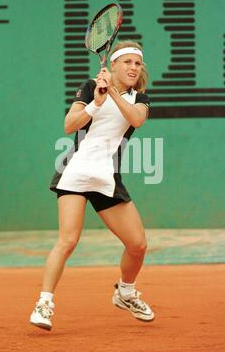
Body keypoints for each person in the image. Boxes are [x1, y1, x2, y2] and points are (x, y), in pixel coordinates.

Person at [30, 41, 154, 330]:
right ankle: (44, 304)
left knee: (137, 245)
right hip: (75, 172)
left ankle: (125, 292)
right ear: (113, 65)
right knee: (68, 240)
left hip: (106, 177)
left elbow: (136, 118)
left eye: (138, 63)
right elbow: (69, 125)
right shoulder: (90, 87)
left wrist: (111, 91)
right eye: (127, 62)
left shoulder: (141, 98)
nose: (134, 68)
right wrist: (96, 103)